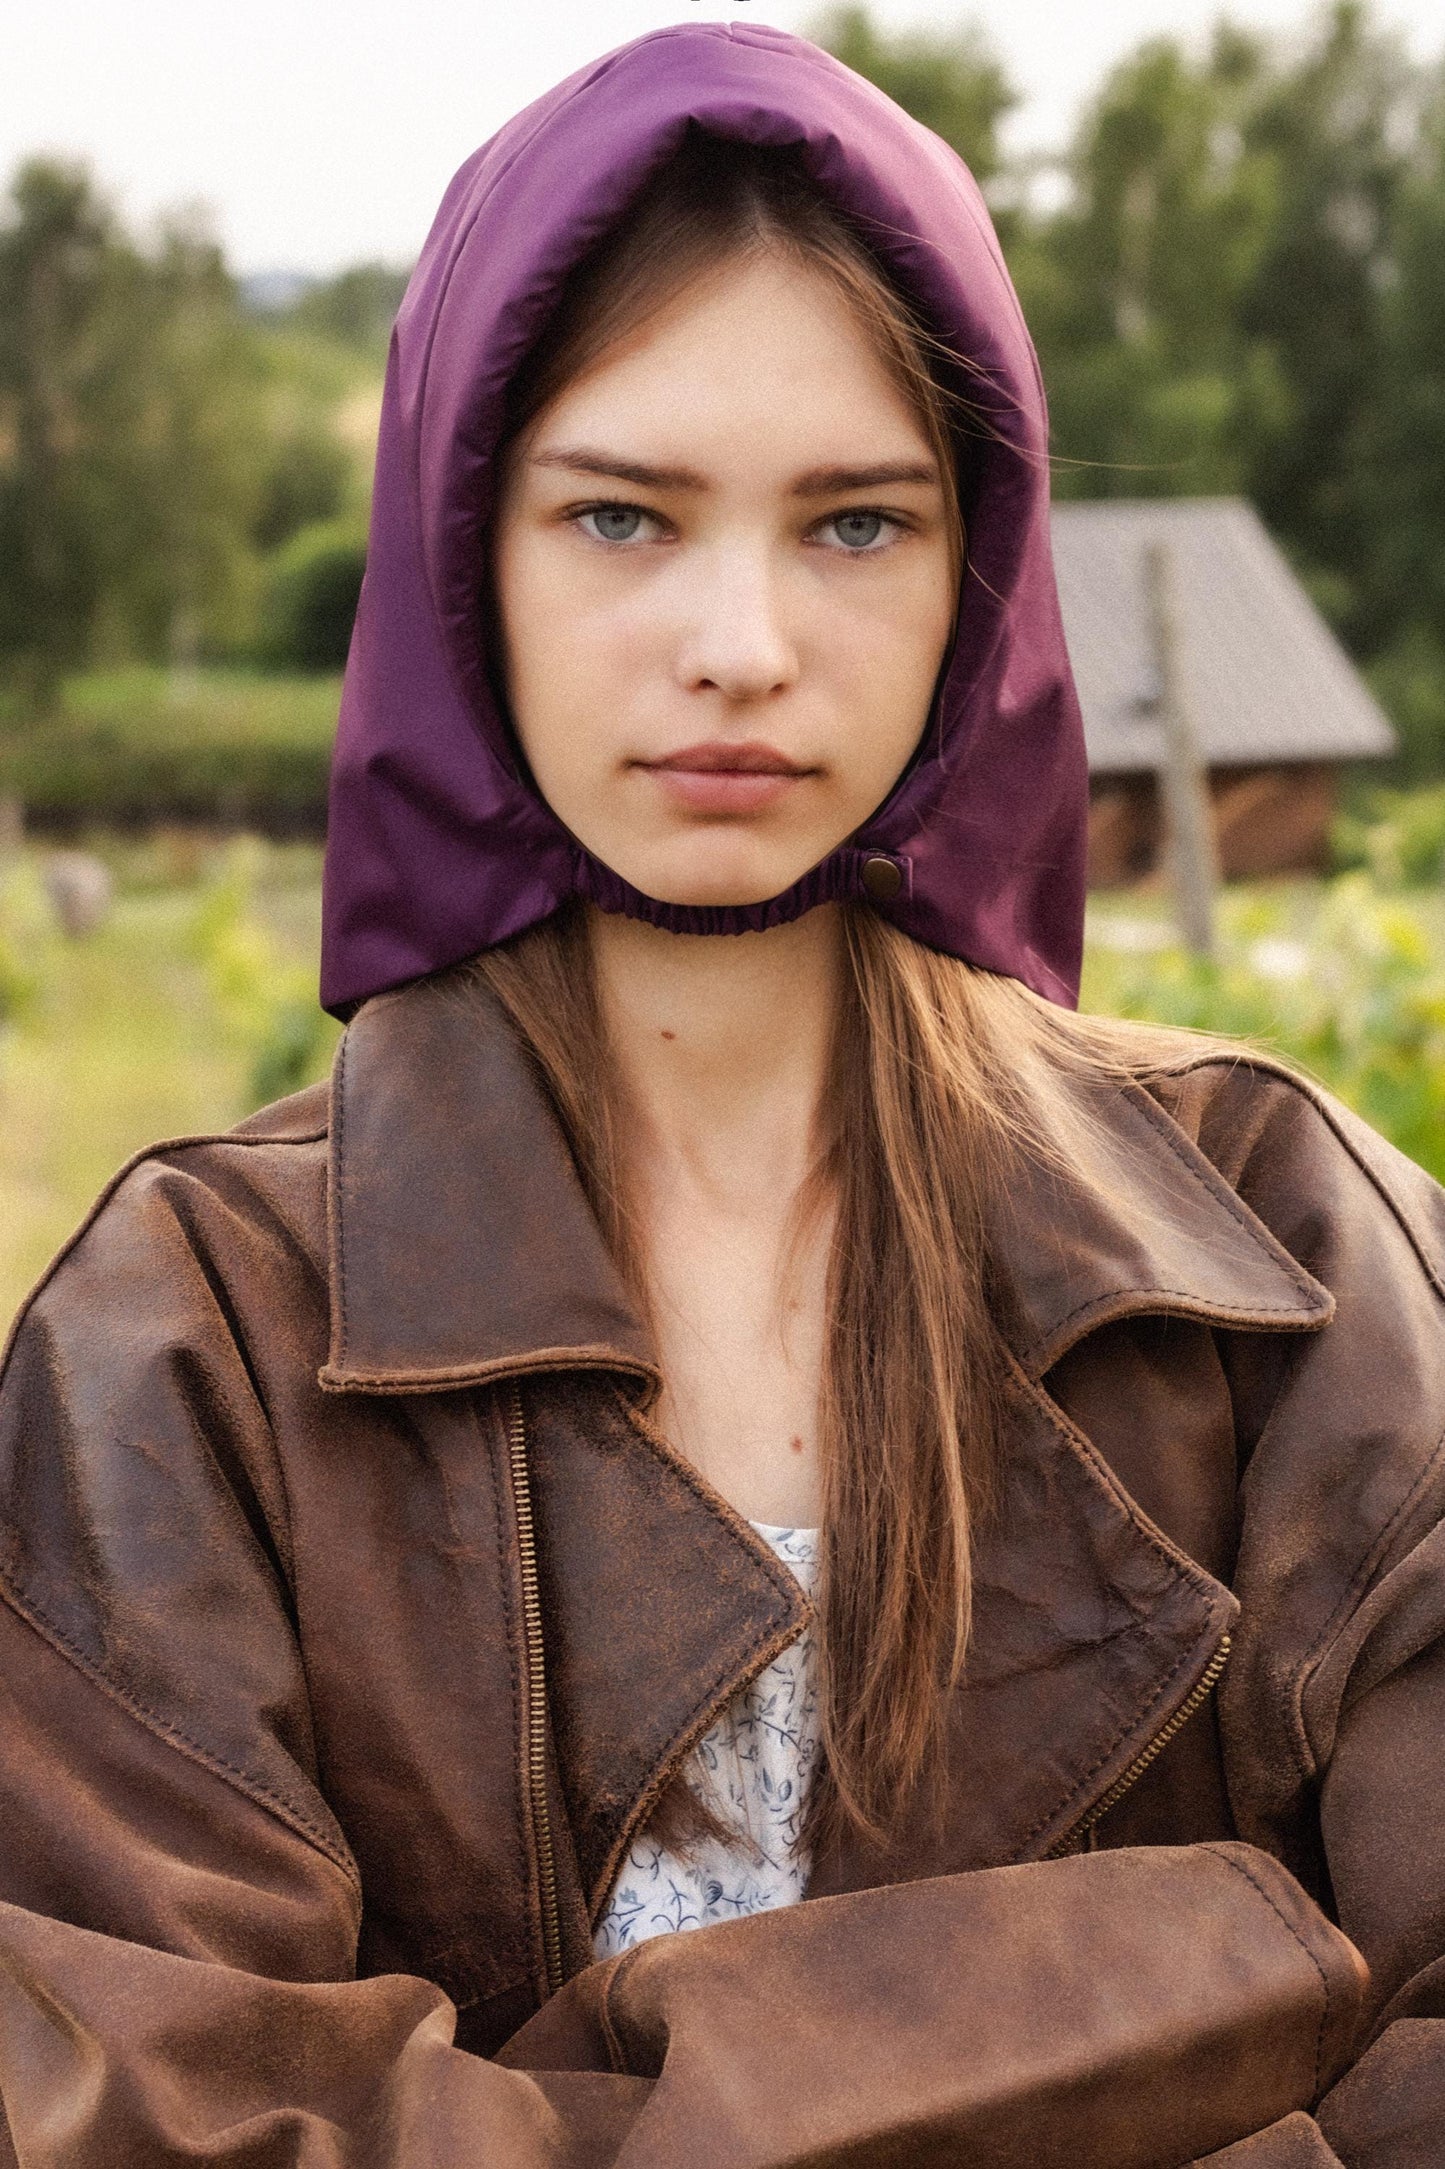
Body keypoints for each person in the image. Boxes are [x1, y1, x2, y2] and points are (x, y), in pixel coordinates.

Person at [0, 22, 1439, 2166]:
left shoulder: (1292, 1241)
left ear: (979, 575)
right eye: (619, 514)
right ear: (461, 554)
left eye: (855, 521)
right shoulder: (190, 1325)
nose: (743, 639)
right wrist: (1187, 2028)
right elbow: (167, 2115)